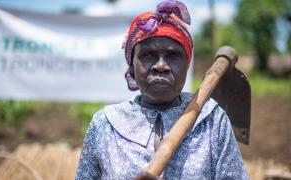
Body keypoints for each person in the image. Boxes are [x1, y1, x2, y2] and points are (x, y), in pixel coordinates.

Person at [75, 0, 248, 179]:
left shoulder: (212, 121)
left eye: (173, 55)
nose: (161, 66)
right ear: (132, 67)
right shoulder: (105, 124)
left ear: (187, 65)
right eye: (148, 55)